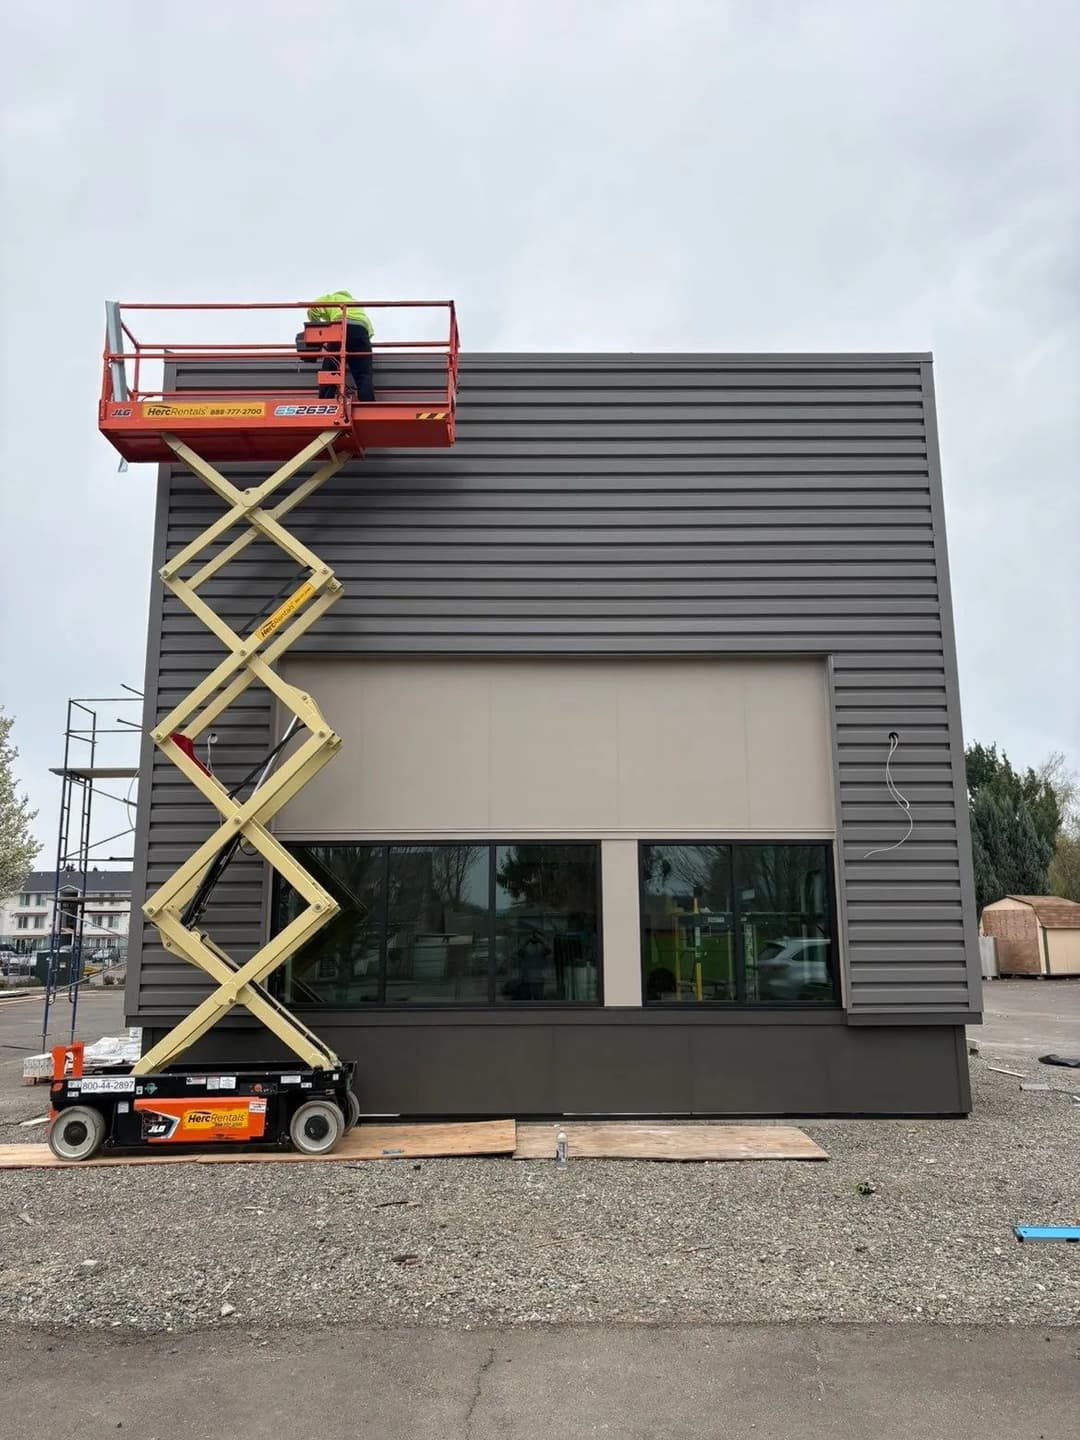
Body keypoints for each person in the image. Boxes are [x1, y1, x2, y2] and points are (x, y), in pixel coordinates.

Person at [307, 290, 375, 402]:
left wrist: (318, 330)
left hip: (339, 329)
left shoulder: (331, 298)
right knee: (363, 374)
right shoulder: (356, 305)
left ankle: (325, 402)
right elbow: (370, 332)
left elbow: (312, 309)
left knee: (330, 369)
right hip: (360, 331)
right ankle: (367, 404)